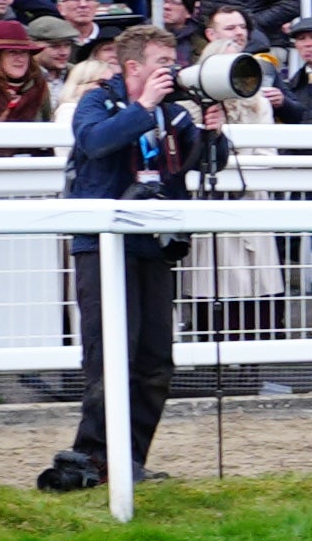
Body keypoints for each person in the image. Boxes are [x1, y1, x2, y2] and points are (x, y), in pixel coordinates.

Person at [40, 26, 221, 495]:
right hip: (102, 243)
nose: (172, 71)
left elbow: (205, 164)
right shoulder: (96, 100)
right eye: (162, 62)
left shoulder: (173, 112)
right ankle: (93, 459)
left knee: (155, 359)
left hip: (154, 243)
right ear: (133, 66)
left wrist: (212, 133)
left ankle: (132, 460)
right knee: (110, 355)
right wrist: (142, 108)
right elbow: (95, 143)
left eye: (173, 62)